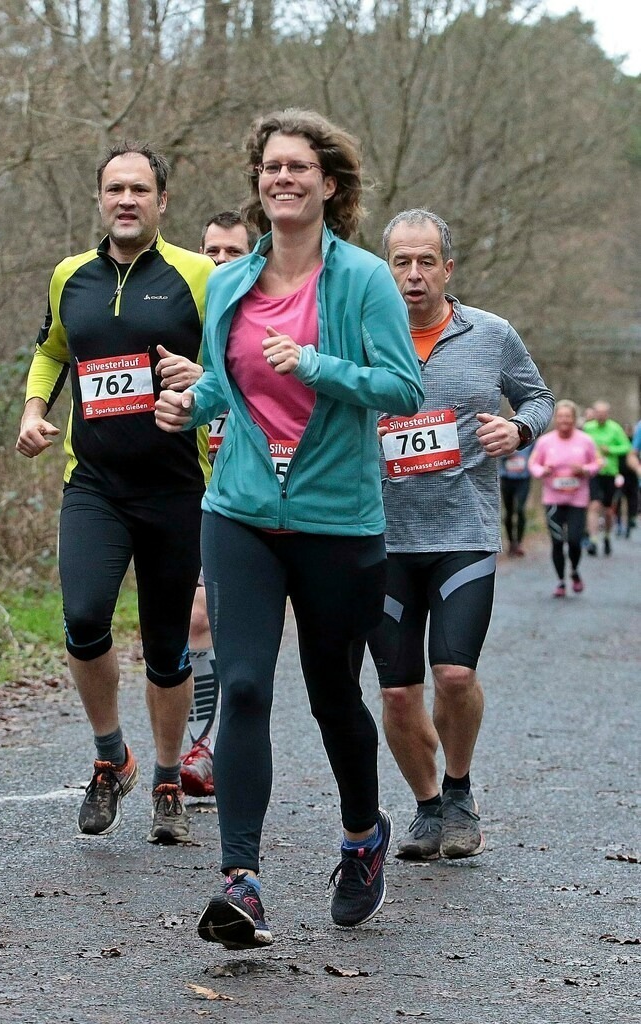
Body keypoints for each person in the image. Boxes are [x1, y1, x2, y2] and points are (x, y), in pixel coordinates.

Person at [155, 109, 424, 949]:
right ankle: (242, 881)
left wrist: (315, 366)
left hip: (336, 521)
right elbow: (222, 391)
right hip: (238, 512)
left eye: (298, 167)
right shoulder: (231, 284)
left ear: (328, 184)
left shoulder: (364, 281)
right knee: (239, 687)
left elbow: (403, 389)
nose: (282, 178)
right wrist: (183, 403)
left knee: (332, 695)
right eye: (271, 166)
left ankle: (361, 834)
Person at [16, 142, 214, 845]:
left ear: (162, 200)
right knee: (82, 617)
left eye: (139, 189)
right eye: (114, 189)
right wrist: (35, 409)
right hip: (94, 483)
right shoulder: (70, 275)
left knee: (166, 649)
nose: (125, 200)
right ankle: (111, 757)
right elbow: (51, 350)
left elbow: (230, 362)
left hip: (177, 489)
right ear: (99, 198)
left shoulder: (198, 276)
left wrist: (200, 380)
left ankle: (166, 777)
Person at [367, 208, 554, 863]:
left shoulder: (490, 334)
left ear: (448, 267)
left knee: (451, 674)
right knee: (395, 690)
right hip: (380, 538)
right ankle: (424, 809)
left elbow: (538, 399)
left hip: (461, 531)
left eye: (425, 262)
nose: (413, 275)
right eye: (400, 262)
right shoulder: (360, 334)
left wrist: (520, 430)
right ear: (383, 267)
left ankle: (459, 790)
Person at [157, 212, 257, 799]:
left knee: (247, 644)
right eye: (211, 251)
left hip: (262, 496)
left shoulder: (261, 317)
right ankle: (202, 746)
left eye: (233, 252)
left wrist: (213, 382)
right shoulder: (181, 320)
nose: (220, 261)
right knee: (196, 620)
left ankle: (234, 743)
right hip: (195, 497)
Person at [528, 400, 600, 596]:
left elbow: (597, 463)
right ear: (556, 419)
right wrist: (543, 471)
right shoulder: (545, 442)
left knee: (575, 541)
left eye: (568, 417)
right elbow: (533, 465)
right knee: (558, 542)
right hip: (553, 499)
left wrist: (584, 470)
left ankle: (575, 571)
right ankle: (561, 581)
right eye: (560, 417)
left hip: (577, 499)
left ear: (574, 419)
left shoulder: (585, 441)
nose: (564, 420)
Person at [582, 401, 631, 556]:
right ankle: (594, 540)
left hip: (610, 473)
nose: (601, 416)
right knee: (594, 505)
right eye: (598, 413)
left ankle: (607, 537)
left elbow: (626, 447)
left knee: (609, 510)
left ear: (607, 414)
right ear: (595, 413)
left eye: (604, 413)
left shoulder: (615, 428)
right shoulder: (588, 428)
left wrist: (610, 450)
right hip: (594, 473)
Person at [499, 441, 534, 555]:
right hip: (506, 478)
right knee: (509, 512)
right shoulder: (503, 433)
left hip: (523, 479)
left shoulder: (529, 436)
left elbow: (536, 455)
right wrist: (506, 454)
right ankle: (511, 543)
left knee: (520, 509)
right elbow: (495, 454)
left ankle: (519, 542)